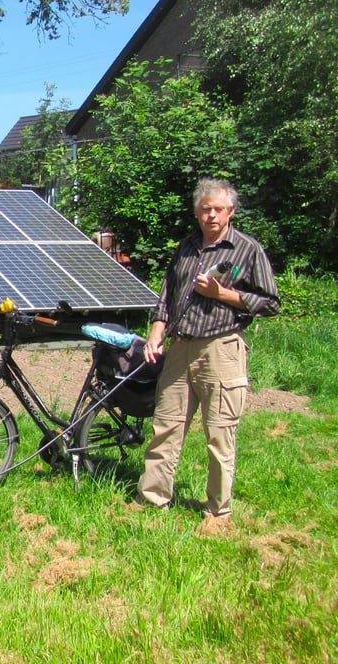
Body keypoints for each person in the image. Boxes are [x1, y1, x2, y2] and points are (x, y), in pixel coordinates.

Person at [137, 177, 280, 531]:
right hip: (181, 347)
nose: (211, 215)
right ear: (197, 213)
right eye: (205, 209)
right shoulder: (187, 247)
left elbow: (271, 303)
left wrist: (223, 295)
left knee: (219, 433)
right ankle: (153, 498)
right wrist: (156, 333)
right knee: (165, 427)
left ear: (230, 211)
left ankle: (218, 513)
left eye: (218, 209)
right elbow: (167, 294)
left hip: (221, 348)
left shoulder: (247, 250)